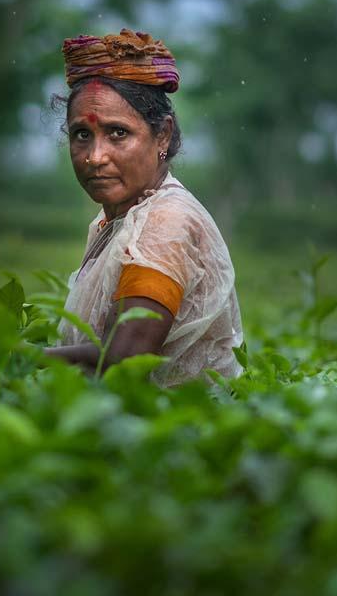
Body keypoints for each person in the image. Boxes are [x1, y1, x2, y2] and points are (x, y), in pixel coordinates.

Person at [40, 29, 244, 387]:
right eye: (81, 135)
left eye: (118, 133)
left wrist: (10, 355)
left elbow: (127, 359)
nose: (95, 157)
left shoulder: (166, 220)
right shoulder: (116, 219)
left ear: (162, 135)